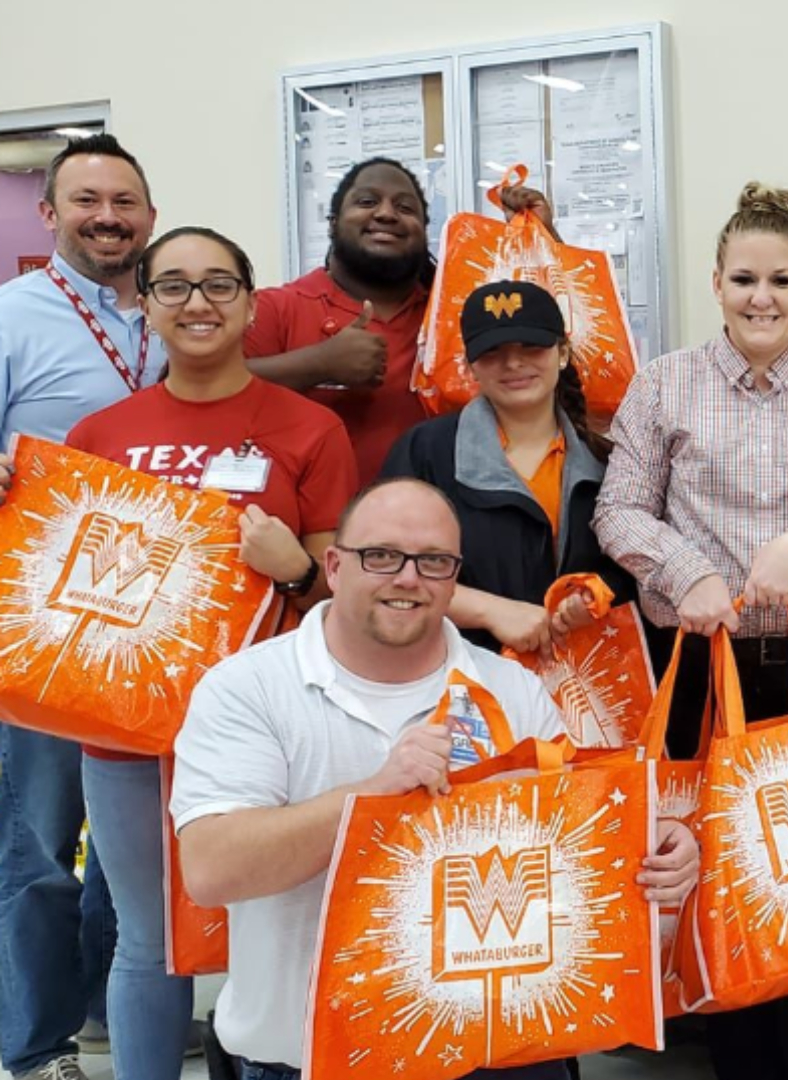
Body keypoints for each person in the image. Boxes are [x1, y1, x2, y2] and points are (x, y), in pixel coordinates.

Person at [167, 478, 699, 1079]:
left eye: (434, 562)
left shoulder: (512, 691)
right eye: (382, 556)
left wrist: (655, 849)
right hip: (312, 1059)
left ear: (455, 577)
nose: (407, 577)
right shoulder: (248, 688)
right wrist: (369, 798)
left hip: (504, 1056)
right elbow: (211, 870)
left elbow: (574, 858)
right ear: (336, 567)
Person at [593, 182, 788, 1080]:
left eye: (781, 280)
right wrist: (686, 570)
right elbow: (619, 512)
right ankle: (737, 1053)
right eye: (743, 279)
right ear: (716, 282)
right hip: (695, 667)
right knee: (715, 868)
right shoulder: (666, 383)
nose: (761, 297)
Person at [45, 226, 360, 1080]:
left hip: (273, 726)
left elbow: (340, 591)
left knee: (284, 932)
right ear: (144, 305)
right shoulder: (99, 433)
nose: (198, 302)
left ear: (251, 305)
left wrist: (294, 568)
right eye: (174, 286)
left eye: (219, 285)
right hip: (126, 732)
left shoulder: (311, 428)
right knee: (146, 943)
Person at [0, 132, 159, 1080]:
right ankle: (34, 1044)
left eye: (125, 201)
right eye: (88, 200)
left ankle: (112, 1002)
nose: (109, 217)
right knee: (40, 834)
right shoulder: (13, 315)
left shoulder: (176, 310)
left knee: (130, 833)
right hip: (51, 618)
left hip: (159, 619)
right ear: (51, 212)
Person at [244, 158, 557, 487]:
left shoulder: (455, 312)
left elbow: (558, 344)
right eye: (367, 201)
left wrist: (539, 240)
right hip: (314, 532)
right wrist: (318, 364)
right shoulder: (275, 308)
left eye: (405, 208)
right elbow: (201, 393)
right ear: (333, 222)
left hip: (450, 527)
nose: (386, 214)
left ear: (424, 232)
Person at [382, 279, 632, 655]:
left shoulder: (607, 459)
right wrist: (488, 611)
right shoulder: (426, 452)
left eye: (531, 346)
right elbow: (383, 567)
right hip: (459, 674)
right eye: (493, 351)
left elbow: (636, 565)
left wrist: (598, 591)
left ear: (562, 353)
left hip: (589, 682)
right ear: (471, 366)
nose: (513, 363)